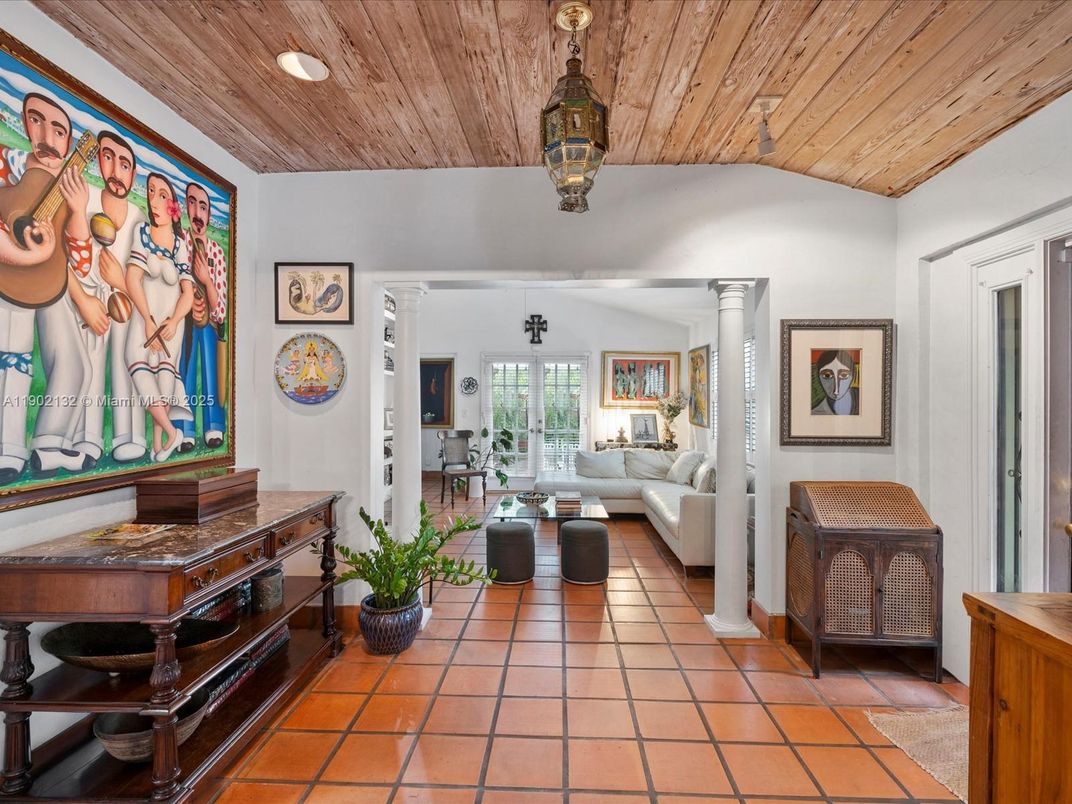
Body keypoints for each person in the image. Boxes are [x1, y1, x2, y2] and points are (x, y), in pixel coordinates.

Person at [0, 92, 92, 482]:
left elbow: (81, 262)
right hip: (12, 280)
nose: (47, 138)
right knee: (13, 355)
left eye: (59, 130)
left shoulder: (70, 189)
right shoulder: (7, 164)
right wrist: (24, 255)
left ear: (70, 144)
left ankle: (50, 444)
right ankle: (7, 449)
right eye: (37, 121)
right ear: (24, 122)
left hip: (53, 282)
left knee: (75, 362)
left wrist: (79, 212)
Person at [64, 130, 147, 465]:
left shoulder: (139, 218)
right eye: (108, 158)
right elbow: (62, 254)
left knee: (127, 361)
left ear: (133, 173)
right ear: (98, 160)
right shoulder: (86, 200)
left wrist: (121, 283)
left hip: (126, 300)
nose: (115, 171)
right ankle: (86, 438)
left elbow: (144, 276)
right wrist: (83, 298)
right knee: (90, 362)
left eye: (124, 164)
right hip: (90, 297)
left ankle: (130, 436)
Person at [124, 172, 194, 462]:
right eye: (150, 191)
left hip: (170, 324)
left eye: (162, 195)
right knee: (136, 362)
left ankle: (157, 443)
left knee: (164, 376)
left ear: (173, 205)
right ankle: (171, 431)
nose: (154, 200)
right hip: (145, 318)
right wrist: (147, 319)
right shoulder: (141, 233)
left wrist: (174, 321)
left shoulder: (180, 246)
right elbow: (132, 279)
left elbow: (188, 293)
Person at [172, 181, 226, 452]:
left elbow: (221, 307)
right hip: (184, 318)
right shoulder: (178, 242)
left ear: (209, 213)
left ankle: (214, 425)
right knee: (184, 370)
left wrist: (206, 280)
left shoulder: (216, 252)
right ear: (185, 206)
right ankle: (185, 429)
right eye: (192, 203)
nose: (197, 212)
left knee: (211, 371)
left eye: (203, 206)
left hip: (209, 321)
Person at [811, 349, 859, 415]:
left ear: (853, 376)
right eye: (827, 375)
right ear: (818, 377)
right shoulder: (816, 413)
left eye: (844, 375)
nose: (836, 391)